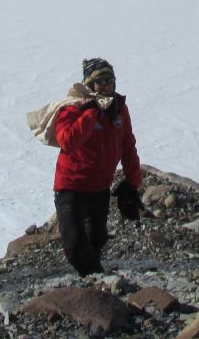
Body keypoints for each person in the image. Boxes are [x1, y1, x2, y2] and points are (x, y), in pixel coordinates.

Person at [51, 57, 141, 275]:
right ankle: (100, 281)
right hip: (71, 187)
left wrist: (132, 185)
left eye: (110, 80)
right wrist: (90, 113)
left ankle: (93, 289)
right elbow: (67, 140)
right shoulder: (74, 108)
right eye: (101, 81)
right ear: (90, 84)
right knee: (74, 247)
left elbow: (127, 145)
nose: (107, 85)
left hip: (99, 189)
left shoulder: (119, 109)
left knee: (96, 241)